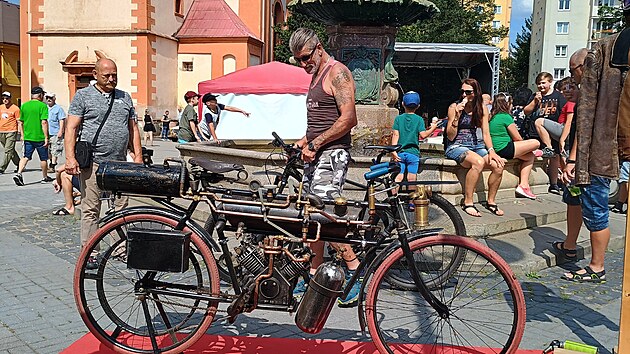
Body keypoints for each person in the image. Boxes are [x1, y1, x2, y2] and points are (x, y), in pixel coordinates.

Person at [289, 28, 361, 307]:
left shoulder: (337, 72)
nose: (302, 64)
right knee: (309, 215)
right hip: (317, 151)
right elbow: (320, 121)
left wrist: (315, 143)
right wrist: (301, 142)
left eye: (305, 57)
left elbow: (348, 119)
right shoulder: (316, 74)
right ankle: (312, 272)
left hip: (332, 154)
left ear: (319, 48)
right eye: (298, 60)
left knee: (322, 214)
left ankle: (354, 270)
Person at [560, 1, 630, 282]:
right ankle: (595, 264)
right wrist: (577, 159)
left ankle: (594, 263)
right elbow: (586, 113)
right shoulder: (606, 50)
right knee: (592, 204)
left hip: (605, 147)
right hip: (606, 146)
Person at [65, 58, 142, 270]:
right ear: (95, 74)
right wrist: (70, 158)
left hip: (119, 163)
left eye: (114, 75)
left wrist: (137, 156)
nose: (111, 79)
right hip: (94, 163)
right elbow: (71, 128)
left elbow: (133, 128)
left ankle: (120, 248)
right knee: (91, 208)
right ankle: (90, 252)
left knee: (121, 208)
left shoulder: (124, 97)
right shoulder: (83, 96)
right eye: (106, 75)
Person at [444, 78, 505, 217]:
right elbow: (450, 136)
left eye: (468, 92)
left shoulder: (481, 108)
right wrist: (456, 117)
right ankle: (468, 202)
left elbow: (486, 133)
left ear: (476, 92)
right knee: (478, 162)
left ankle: (491, 202)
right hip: (457, 146)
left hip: (477, 145)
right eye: (462, 92)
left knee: (498, 166)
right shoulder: (454, 107)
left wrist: (492, 151)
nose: (464, 95)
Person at [552, 49, 588, 265]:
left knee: (577, 201)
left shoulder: (588, 96)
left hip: (582, 160)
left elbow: (580, 130)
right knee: (576, 201)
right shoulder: (588, 94)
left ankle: (572, 249)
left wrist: (571, 160)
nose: (570, 80)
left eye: (572, 73)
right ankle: (570, 245)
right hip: (585, 158)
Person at [390, 91, 438, 210]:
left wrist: (393, 152)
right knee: (412, 178)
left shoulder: (398, 119)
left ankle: (393, 200)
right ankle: (411, 202)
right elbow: (423, 135)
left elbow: (395, 135)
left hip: (400, 152)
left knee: (398, 177)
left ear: (402, 104)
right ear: (418, 106)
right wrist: (433, 128)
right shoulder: (419, 120)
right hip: (413, 154)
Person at [488, 92, 540, 199]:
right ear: (507, 104)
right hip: (504, 148)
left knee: (529, 156)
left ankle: (524, 186)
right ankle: (523, 185)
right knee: (536, 143)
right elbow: (517, 138)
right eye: (511, 103)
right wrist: (526, 147)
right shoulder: (505, 116)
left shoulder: (492, 116)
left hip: (496, 148)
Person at [524, 72, 567, 194]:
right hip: (535, 132)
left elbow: (563, 112)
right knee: (535, 155)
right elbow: (526, 111)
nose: (541, 86)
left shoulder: (558, 96)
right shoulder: (535, 96)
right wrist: (535, 102)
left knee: (554, 157)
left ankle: (554, 184)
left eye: (543, 83)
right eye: (538, 83)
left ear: (550, 82)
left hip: (551, 132)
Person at [14, 87, 53, 186]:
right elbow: (43, 122)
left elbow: (20, 122)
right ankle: (44, 177)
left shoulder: (24, 106)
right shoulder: (42, 106)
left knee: (26, 156)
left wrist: (22, 135)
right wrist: (46, 137)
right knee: (43, 158)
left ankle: (19, 173)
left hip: (28, 136)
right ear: (40, 95)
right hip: (39, 137)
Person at [0, 91, 21, 174]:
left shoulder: (15, 108)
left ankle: (2, 167)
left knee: (8, 150)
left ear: (10, 99)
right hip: (1, 131)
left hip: (11, 131)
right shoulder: (1, 107)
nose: (5, 100)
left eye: (7, 98)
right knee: (10, 149)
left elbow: (19, 121)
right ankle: (19, 164)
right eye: (3, 98)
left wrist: (20, 131)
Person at [45, 92, 66, 171]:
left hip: (55, 132)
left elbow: (61, 120)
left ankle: (52, 165)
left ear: (54, 99)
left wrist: (61, 131)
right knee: (48, 150)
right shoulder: (45, 108)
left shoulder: (58, 108)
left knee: (55, 149)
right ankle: (51, 161)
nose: (49, 99)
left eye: (50, 98)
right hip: (46, 132)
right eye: (47, 98)